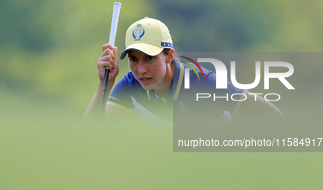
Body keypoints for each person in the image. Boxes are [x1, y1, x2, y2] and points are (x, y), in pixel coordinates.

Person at [83, 17, 284, 125]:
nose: (141, 69)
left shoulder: (202, 82)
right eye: (134, 59)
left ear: (169, 55)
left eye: (150, 58)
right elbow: (90, 136)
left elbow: (272, 116)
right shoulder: (131, 84)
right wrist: (105, 84)